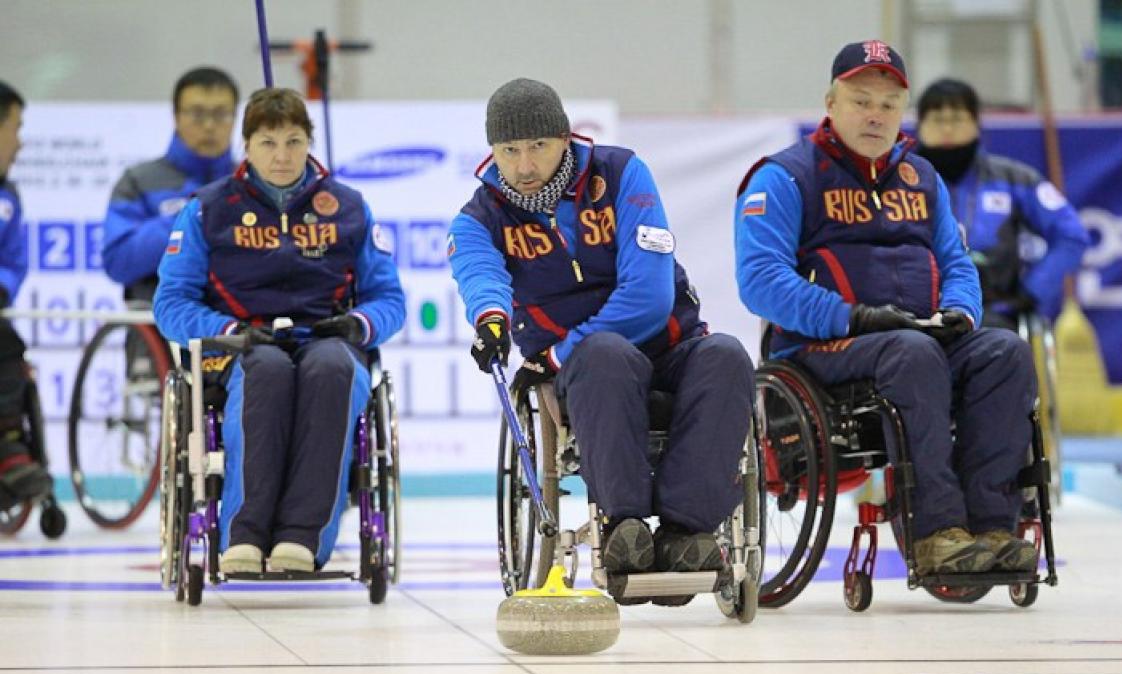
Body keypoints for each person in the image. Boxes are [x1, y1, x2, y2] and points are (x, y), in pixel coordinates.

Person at [735, 41, 1039, 576]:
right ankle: (936, 532)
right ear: (830, 102)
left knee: (1004, 351)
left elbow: (958, 262)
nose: (875, 114)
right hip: (822, 347)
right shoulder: (784, 177)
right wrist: (852, 316)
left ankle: (995, 527)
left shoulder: (923, 178)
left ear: (902, 110)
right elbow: (761, 281)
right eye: (860, 100)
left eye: (889, 103)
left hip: (916, 338)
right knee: (913, 354)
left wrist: (961, 313)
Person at [449, 78, 754, 604]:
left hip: (668, 343)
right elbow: (479, 274)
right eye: (509, 150)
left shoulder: (621, 174)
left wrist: (558, 351)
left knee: (727, 355)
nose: (523, 166)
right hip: (588, 369)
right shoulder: (481, 217)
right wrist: (491, 321)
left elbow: (650, 296)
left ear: (565, 139)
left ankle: (690, 532)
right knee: (605, 355)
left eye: (538, 147)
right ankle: (625, 526)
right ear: (493, 151)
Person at [154, 88, 406, 574]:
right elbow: (170, 303)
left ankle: (302, 535)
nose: (283, 155)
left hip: (327, 339)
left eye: (293, 141)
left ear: (310, 141)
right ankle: (243, 535)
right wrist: (227, 329)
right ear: (246, 146)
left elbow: (390, 300)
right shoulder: (208, 209)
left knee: (333, 369)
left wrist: (358, 324)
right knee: (266, 371)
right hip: (242, 346)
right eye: (268, 142)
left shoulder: (349, 208)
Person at [916, 78, 1089, 329]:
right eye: (937, 120)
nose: (947, 129)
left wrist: (1032, 291)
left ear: (977, 125)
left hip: (991, 313)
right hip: (915, 310)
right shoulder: (898, 180)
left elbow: (1071, 235)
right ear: (919, 126)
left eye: (956, 119)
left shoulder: (1014, 179)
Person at [103, 67, 240, 304]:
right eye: (197, 114)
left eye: (221, 114)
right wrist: (191, 216)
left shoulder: (251, 182)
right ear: (176, 116)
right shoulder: (138, 181)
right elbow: (118, 263)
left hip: (243, 317)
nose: (209, 126)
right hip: (162, 320)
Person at [0, 81, 52, 510]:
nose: (19, 141)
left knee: (8, 344)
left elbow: (15, 261)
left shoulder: (9, 197)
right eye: (15, 127)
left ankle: (10, 446)